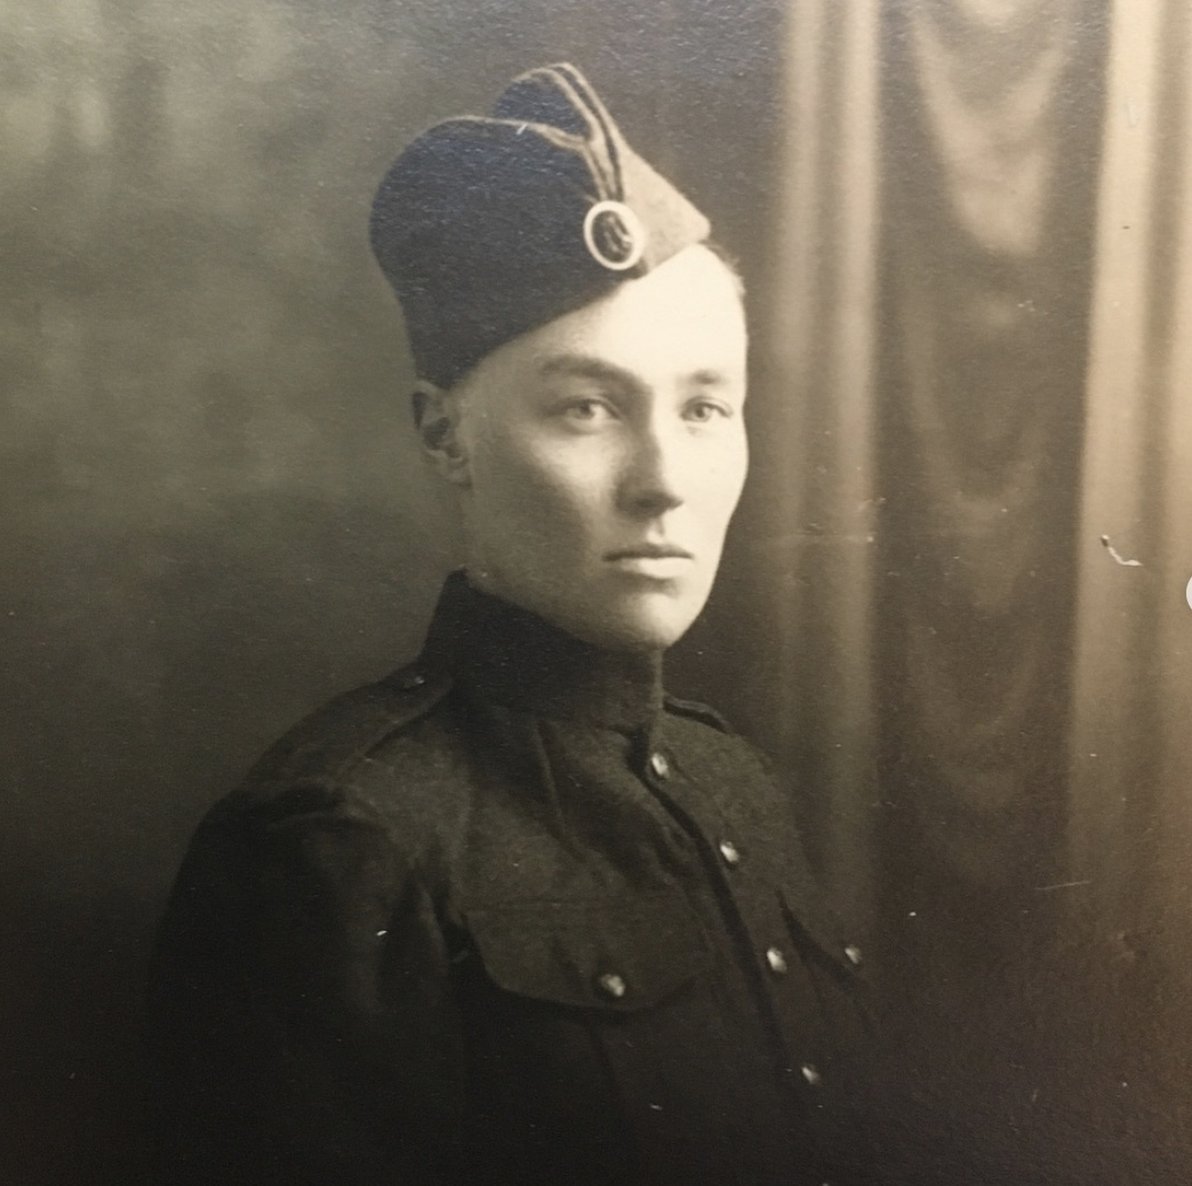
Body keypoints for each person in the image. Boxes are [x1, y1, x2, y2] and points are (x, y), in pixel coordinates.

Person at [147, 62, 880, 1186]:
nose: (662, 480)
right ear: (445, 436)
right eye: (587, 407)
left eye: (704, 407)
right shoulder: (340, 841)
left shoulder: (732, 783)